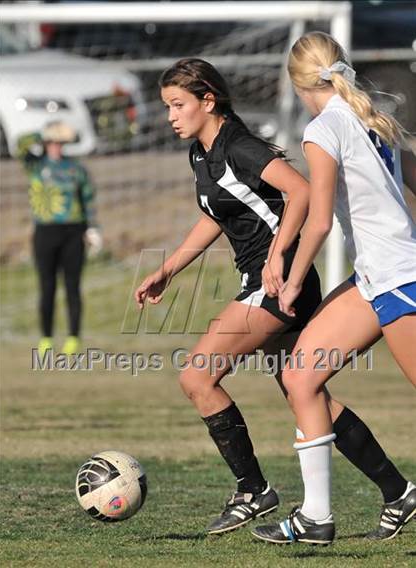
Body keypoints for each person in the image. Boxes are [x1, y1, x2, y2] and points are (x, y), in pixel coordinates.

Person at [134, 58, 413, 536]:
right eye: (167, 107)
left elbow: (301, 192)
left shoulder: (238, 146)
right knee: (303, 390)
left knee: (198, 376)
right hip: (264, 283)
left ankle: (253, 491)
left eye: (178, 105)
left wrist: (281, 258)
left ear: (209, 101)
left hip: (279, 286)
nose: (171, 116)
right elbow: (216, 215)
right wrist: (168, 269)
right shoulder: (203, 154)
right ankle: (399, 492)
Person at [252, 31, 416, 546]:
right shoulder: (370, 118)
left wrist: (291, 277)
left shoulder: (324, 128)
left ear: (300, 84)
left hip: (400, 278)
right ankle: (316, 517)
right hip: (376, 278)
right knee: (301, 376)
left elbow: (318, 221)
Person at [18, 121, 102, 356]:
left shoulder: (76, 169)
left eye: (59, 142)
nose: (56, 146)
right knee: (47, 287)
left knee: (72, 287)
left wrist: (93, 229)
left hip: (73, 232)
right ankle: (46, 337)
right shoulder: (35, 166)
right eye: (52, 142)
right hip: (45, 232)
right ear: (46, 143)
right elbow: (20, 144)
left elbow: (88, 199)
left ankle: (73, 338)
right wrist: (42, 132)